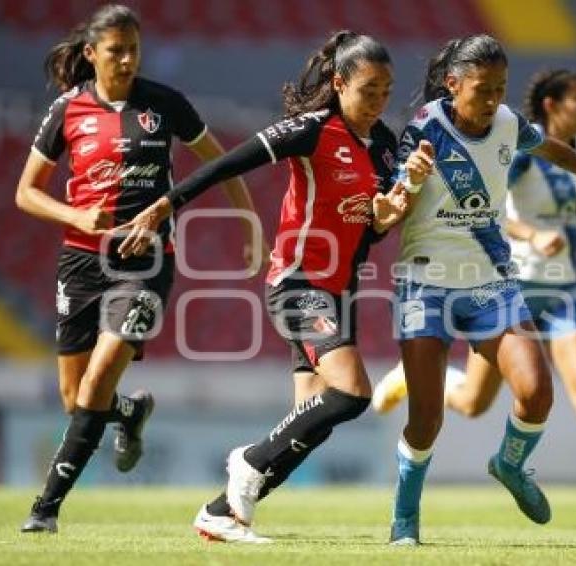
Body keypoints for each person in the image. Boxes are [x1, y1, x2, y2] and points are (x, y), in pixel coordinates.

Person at [117, 30, 433, 543]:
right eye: (368, 89)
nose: (378, 102)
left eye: (386, 91)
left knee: (309, 426)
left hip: (340, 290)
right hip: (298, 282)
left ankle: (221, 513)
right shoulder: (311, 130)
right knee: (351, 394)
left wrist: (392, 209)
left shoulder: (383, 145)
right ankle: (247, 460)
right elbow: (228, 163)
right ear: (339, 82)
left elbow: (372, 226)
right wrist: (166, 204)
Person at [386, 36, 576, 545]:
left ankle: (510, 466)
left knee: (536, 393)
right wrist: (408, 180)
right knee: (427, 420)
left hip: (492, 282)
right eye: (482, 89)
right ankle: (405, 516)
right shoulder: (425, 127)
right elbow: (394, 202)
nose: (492, 100)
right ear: (453, 84)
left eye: (500, 88)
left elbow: (551, 148)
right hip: (425, 283)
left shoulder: (510, 126)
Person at [15, 4, 264, 533]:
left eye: (134, 49)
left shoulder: (164, 103)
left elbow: (221, 162)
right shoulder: (68, 110)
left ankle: (46, 509)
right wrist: (76, 213)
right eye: (115, 50)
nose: (127, 60)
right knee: (74, 397)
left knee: (98, 378)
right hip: (80, 260)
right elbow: (26, 193)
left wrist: (249, 224)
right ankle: (127, 413)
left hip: (147, 263)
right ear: (91, 53)